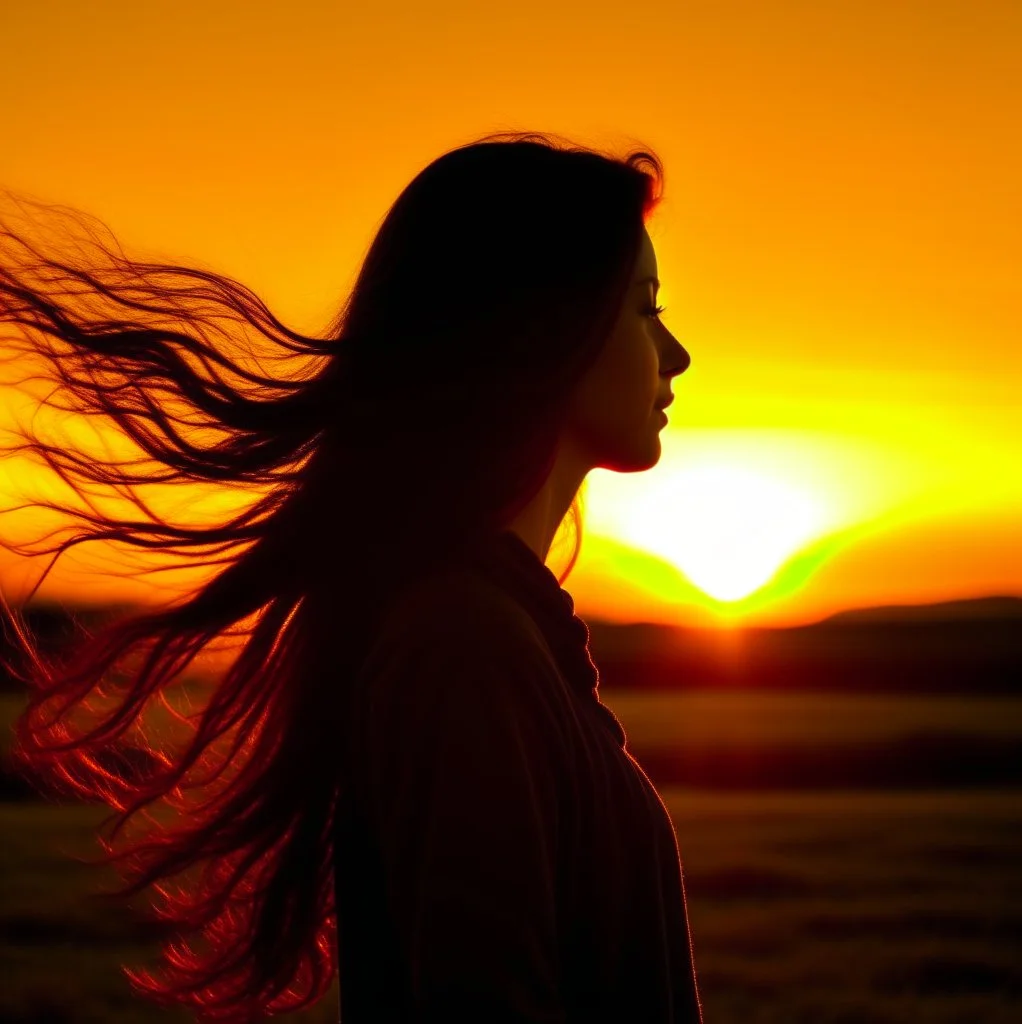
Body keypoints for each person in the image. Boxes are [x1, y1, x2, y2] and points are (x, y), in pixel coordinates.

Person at [0, 130, 697, 1022]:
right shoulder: (466, 647)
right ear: (546, 326)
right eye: (645, 308)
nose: (673, 354)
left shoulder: (493, 634)